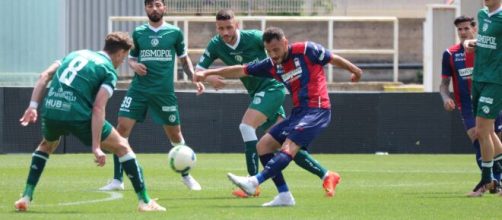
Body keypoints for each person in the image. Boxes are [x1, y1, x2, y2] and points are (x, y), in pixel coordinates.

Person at [195, 27, 362, 206]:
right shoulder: (272, 65)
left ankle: (254, 182)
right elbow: (241, 70)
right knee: (263, 146)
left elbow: (332, 57)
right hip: (298, 113)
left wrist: (356, 71)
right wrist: (208, 73)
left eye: (276, 49)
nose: (273, 54)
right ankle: (284, 195)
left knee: (288, 147)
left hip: (317, 109)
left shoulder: (306, 50)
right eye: (268, 51)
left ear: (285, 42)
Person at [15, 32, 165, 212]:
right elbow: (98, 108)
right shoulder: (108, 70)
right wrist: (96, 146)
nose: (122, 62)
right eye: (124, 58)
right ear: (119, 54)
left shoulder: (74, 54)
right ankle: (145, 201)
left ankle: (26, 195)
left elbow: (44, 76)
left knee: (46, 145)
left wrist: (32, 106)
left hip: (51, 109)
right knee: (123, 148)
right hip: (78, 115)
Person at [99, 0, 205, 191]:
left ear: (164, 7)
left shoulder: (174, 33)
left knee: (175, 134)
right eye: (149, 5)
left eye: (157, 4)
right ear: (145, 9)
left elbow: (183, 58)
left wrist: (193, 78)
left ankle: (186, 175)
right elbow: (131, 57)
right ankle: (117, 180)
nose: (154, 9)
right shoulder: (139, 33)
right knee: (121, 129)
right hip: (139, 89)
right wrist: (133, 65)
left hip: (163, 92)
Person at [439, 15, 502, 196]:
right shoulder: (450, 54)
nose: (463, 32)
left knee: (493, 137)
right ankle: (488, 182)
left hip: (491, 97)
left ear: (475, 29)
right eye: (460, 29)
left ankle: (494, 180)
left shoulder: (487, 49)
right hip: (467, 105)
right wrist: (445, 98)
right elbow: (443, 84)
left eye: (466, 28)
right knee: (479, 139)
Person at [463, 0, 502, 193]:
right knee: (489, 131)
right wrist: (471, 44)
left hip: (495, 81)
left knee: (482, 131)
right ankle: (498, 177)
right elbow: (487, 43)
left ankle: (487, 179)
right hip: (478, 77)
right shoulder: (482, 15)